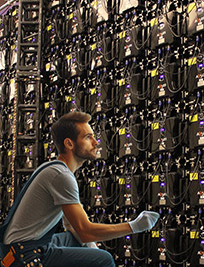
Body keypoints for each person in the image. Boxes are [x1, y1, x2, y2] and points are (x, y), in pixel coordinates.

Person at [0, 111, 159, 267]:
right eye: (88, 137)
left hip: (25, 246)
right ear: (69, 144)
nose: (96, 142)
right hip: (24, 255)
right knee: (103, 259)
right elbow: (85, 230)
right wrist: (134, 226)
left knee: (75, 240)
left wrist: (90, 246)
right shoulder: (61, 175)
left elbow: (71, 225)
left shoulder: (57, 170)